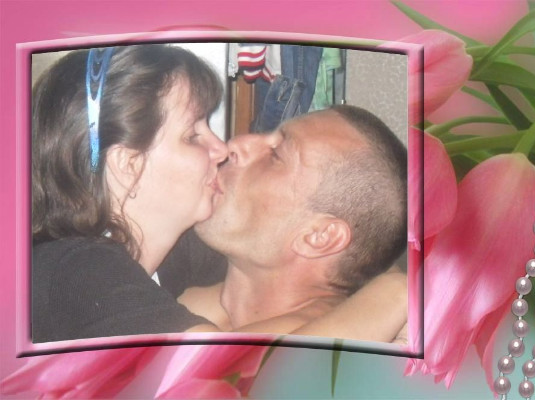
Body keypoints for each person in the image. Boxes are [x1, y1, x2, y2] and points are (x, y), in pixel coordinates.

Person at [32, 44, 407, 343]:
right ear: (127, 163)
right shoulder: (77, 271)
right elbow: (212, 376)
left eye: (275, 156)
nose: (230, 146)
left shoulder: (175, 255)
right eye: (192, 135)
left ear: (320, 236)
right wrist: (400, 293)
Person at [175, 105, 409, 341]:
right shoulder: (178, 297)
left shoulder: (343, 358)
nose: (236, 143)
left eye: (275, 155)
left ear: (319, 236)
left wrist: (397, 291)